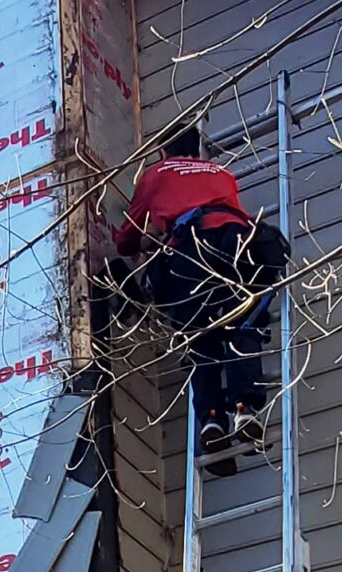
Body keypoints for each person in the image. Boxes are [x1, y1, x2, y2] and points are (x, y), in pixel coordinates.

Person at [114, 125, 287, 474]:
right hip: (241, 243)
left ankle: (211, 420)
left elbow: (127, 241)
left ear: (164, 152)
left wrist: (140, 242)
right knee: (242, 324)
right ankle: (245, 409)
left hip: (194, 248)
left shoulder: (157, 173)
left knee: (200, 336)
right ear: (198, 151)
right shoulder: (222, 173)